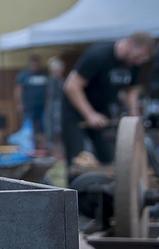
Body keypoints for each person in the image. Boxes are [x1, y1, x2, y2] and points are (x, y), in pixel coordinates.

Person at [61, 32, 156, 177]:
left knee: (107, 157)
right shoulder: (98, 55)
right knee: (77, 160)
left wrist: (134, 118)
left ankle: (105, 196)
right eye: (137, 56)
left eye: (142, 59)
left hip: (102, 110)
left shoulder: (134, 63)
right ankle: (77, 196)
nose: (138, 62)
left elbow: (130, 90)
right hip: (76, 111)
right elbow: (71, 86)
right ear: (129, 44)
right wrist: (90, 115)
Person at [13, 54, 48, 138]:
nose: (35, 66)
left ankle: (41, 145)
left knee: (43, 126)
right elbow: (18, 90)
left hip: (42, 106)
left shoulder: (43, 74)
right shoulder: (24, 75)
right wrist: (19, 104)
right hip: (28, 106)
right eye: (34, 64)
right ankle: (29, 144)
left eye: (37, 64)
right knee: (29, 126)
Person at [42, 56, 65, 153]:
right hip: (55, 107)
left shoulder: (59, 79)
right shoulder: (52, 80)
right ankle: (56, 150)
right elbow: (53, 95)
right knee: (55, 128)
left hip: (58, 106)